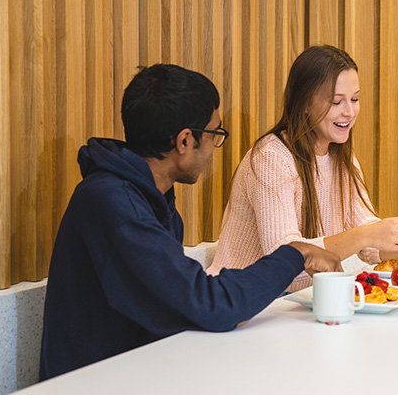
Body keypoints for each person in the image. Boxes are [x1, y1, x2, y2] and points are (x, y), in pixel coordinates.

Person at [39, 64, 342, 381]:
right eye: (215, 135)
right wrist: (297, 254)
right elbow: (209, 303)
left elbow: (183, 305)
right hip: (91, 383)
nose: (214, 148)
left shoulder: (150, 197)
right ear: (184, 141)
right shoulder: (113, 203)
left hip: (145, 370)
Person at [207, 45, 398, 291]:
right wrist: (365, 234)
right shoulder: (271, 157)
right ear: (304, 103)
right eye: (337, 101)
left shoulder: (342, 159)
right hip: (241, 301)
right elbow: (282, 262)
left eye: (355, 99)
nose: (349, 112)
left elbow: (367, 241)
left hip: (300, 304)